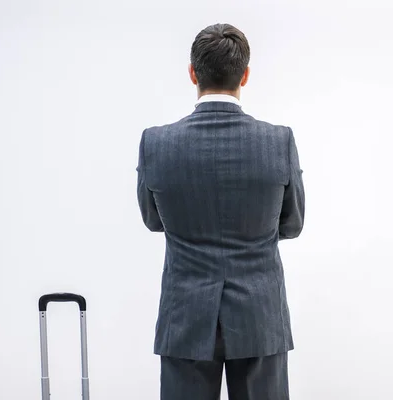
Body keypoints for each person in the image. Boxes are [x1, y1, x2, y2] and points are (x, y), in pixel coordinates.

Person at [136, 23, 305, 400]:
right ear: (245, 74)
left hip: (185, 316)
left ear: (193, 73)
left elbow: (152, 220)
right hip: (260, 315)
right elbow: (292, 224)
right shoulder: (278, 142)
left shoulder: (156, 143)